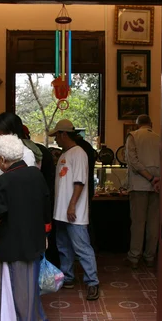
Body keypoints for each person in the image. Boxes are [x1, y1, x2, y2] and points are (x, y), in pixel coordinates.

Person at [0, 134, 51, 321]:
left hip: (12, 244)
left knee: (12, 292)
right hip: (33, 240)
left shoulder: (5, 180)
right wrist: (46, 233)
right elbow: (45, 206)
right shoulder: (35, 175)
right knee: (29, 289)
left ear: (2, 159)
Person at [49, 118, 100, 301]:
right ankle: (68, 277)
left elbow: (79, 181)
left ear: (64, 134)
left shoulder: (78, 153)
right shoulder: (66, 153)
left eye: (56, 135)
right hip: (61, 211)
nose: (55, 139)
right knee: (63, 246)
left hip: (73, 212)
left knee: (81, 247)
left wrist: (72, 205)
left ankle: (92, 282)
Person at [125, 114, 160, 270]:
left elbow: (132, 161)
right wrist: (156, 179)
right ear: (151, 123)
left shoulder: (133, 136)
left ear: (136, 124)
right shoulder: (160, 138)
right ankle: (150, 257)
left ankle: (134, 257)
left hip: (139, 185)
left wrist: (149, 177)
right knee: (154, 223)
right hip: (158, 185)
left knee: (138, 223)